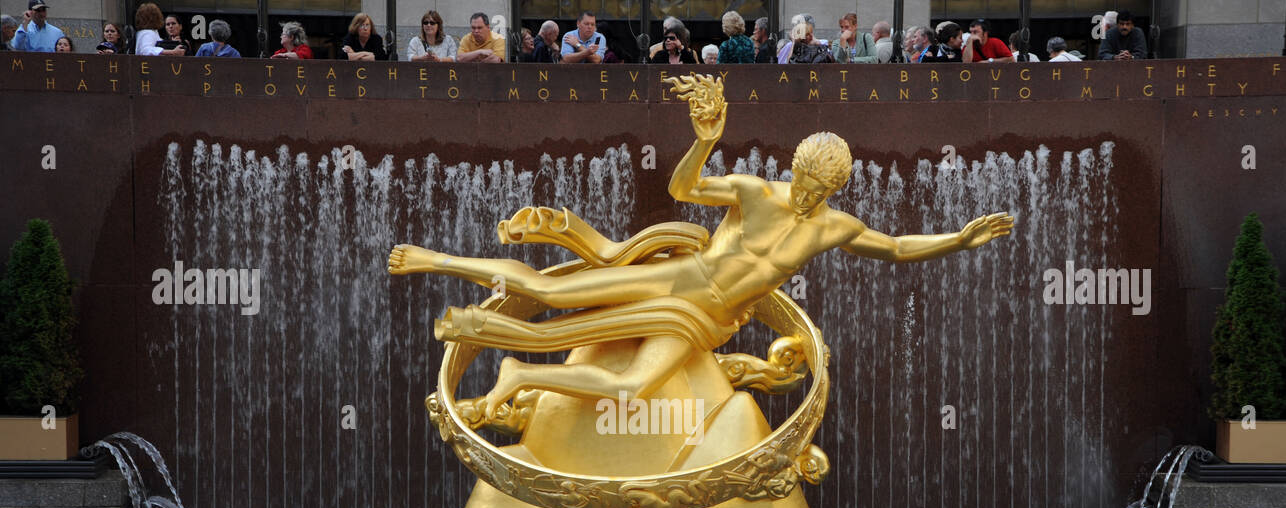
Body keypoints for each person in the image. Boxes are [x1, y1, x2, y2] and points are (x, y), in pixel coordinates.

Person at [388, 74, 1012, 416]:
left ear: (835, 187)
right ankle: (434, 260)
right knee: (547, 287)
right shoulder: (754, 191)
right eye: (801, 178)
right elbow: (683, 185)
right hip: (679, 282)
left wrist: (958, 240)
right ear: (792, 167)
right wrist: (705, 140)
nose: (803, 193)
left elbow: (898, 248)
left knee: (633, 389)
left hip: (707, 323)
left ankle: (521, 372)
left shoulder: (835, 227)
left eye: (818, 187)